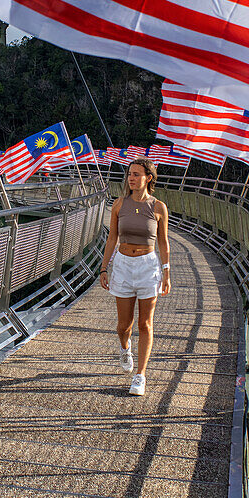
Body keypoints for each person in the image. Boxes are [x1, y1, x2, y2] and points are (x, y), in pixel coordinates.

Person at [99, 157, 171, 396]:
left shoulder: (159, 207)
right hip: (123, 265)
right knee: (123, 326)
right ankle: (125, 347)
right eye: (130, 174)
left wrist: (167, 271)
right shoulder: (119, 204)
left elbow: (163, 242)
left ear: (148, 178)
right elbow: (112, 239)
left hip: (148, 266)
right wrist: (103, 268)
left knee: (145, 323)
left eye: (136, 174)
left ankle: (140, 375)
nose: (131, 178)